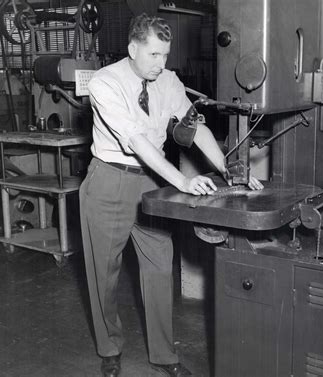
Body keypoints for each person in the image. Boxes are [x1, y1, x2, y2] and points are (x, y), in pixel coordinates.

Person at [79, 13, 263, 377]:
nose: (161, 64)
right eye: (153, 55)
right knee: (104, 273)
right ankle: (109, 347)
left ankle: (164, 355)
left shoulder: (168, 81)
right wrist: (181, 181)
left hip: (153, 181)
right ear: (133, 49)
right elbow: (137, 142)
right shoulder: (105, 82)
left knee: (160, 269)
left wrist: (230, 170)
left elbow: (195, 129)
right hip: (109, 181)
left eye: (165, 55)